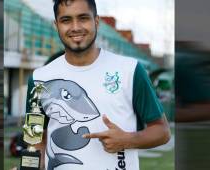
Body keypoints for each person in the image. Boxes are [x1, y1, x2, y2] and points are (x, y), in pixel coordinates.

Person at [26, 0, 170, 169]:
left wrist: (127, 140)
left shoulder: (129, 70)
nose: (75, 27)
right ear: (56, 25)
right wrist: (27, 167)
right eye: (66, 20)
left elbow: (162, 131)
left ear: (96, 21)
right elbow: (34, 139)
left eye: (83, 18)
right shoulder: (38, 79)